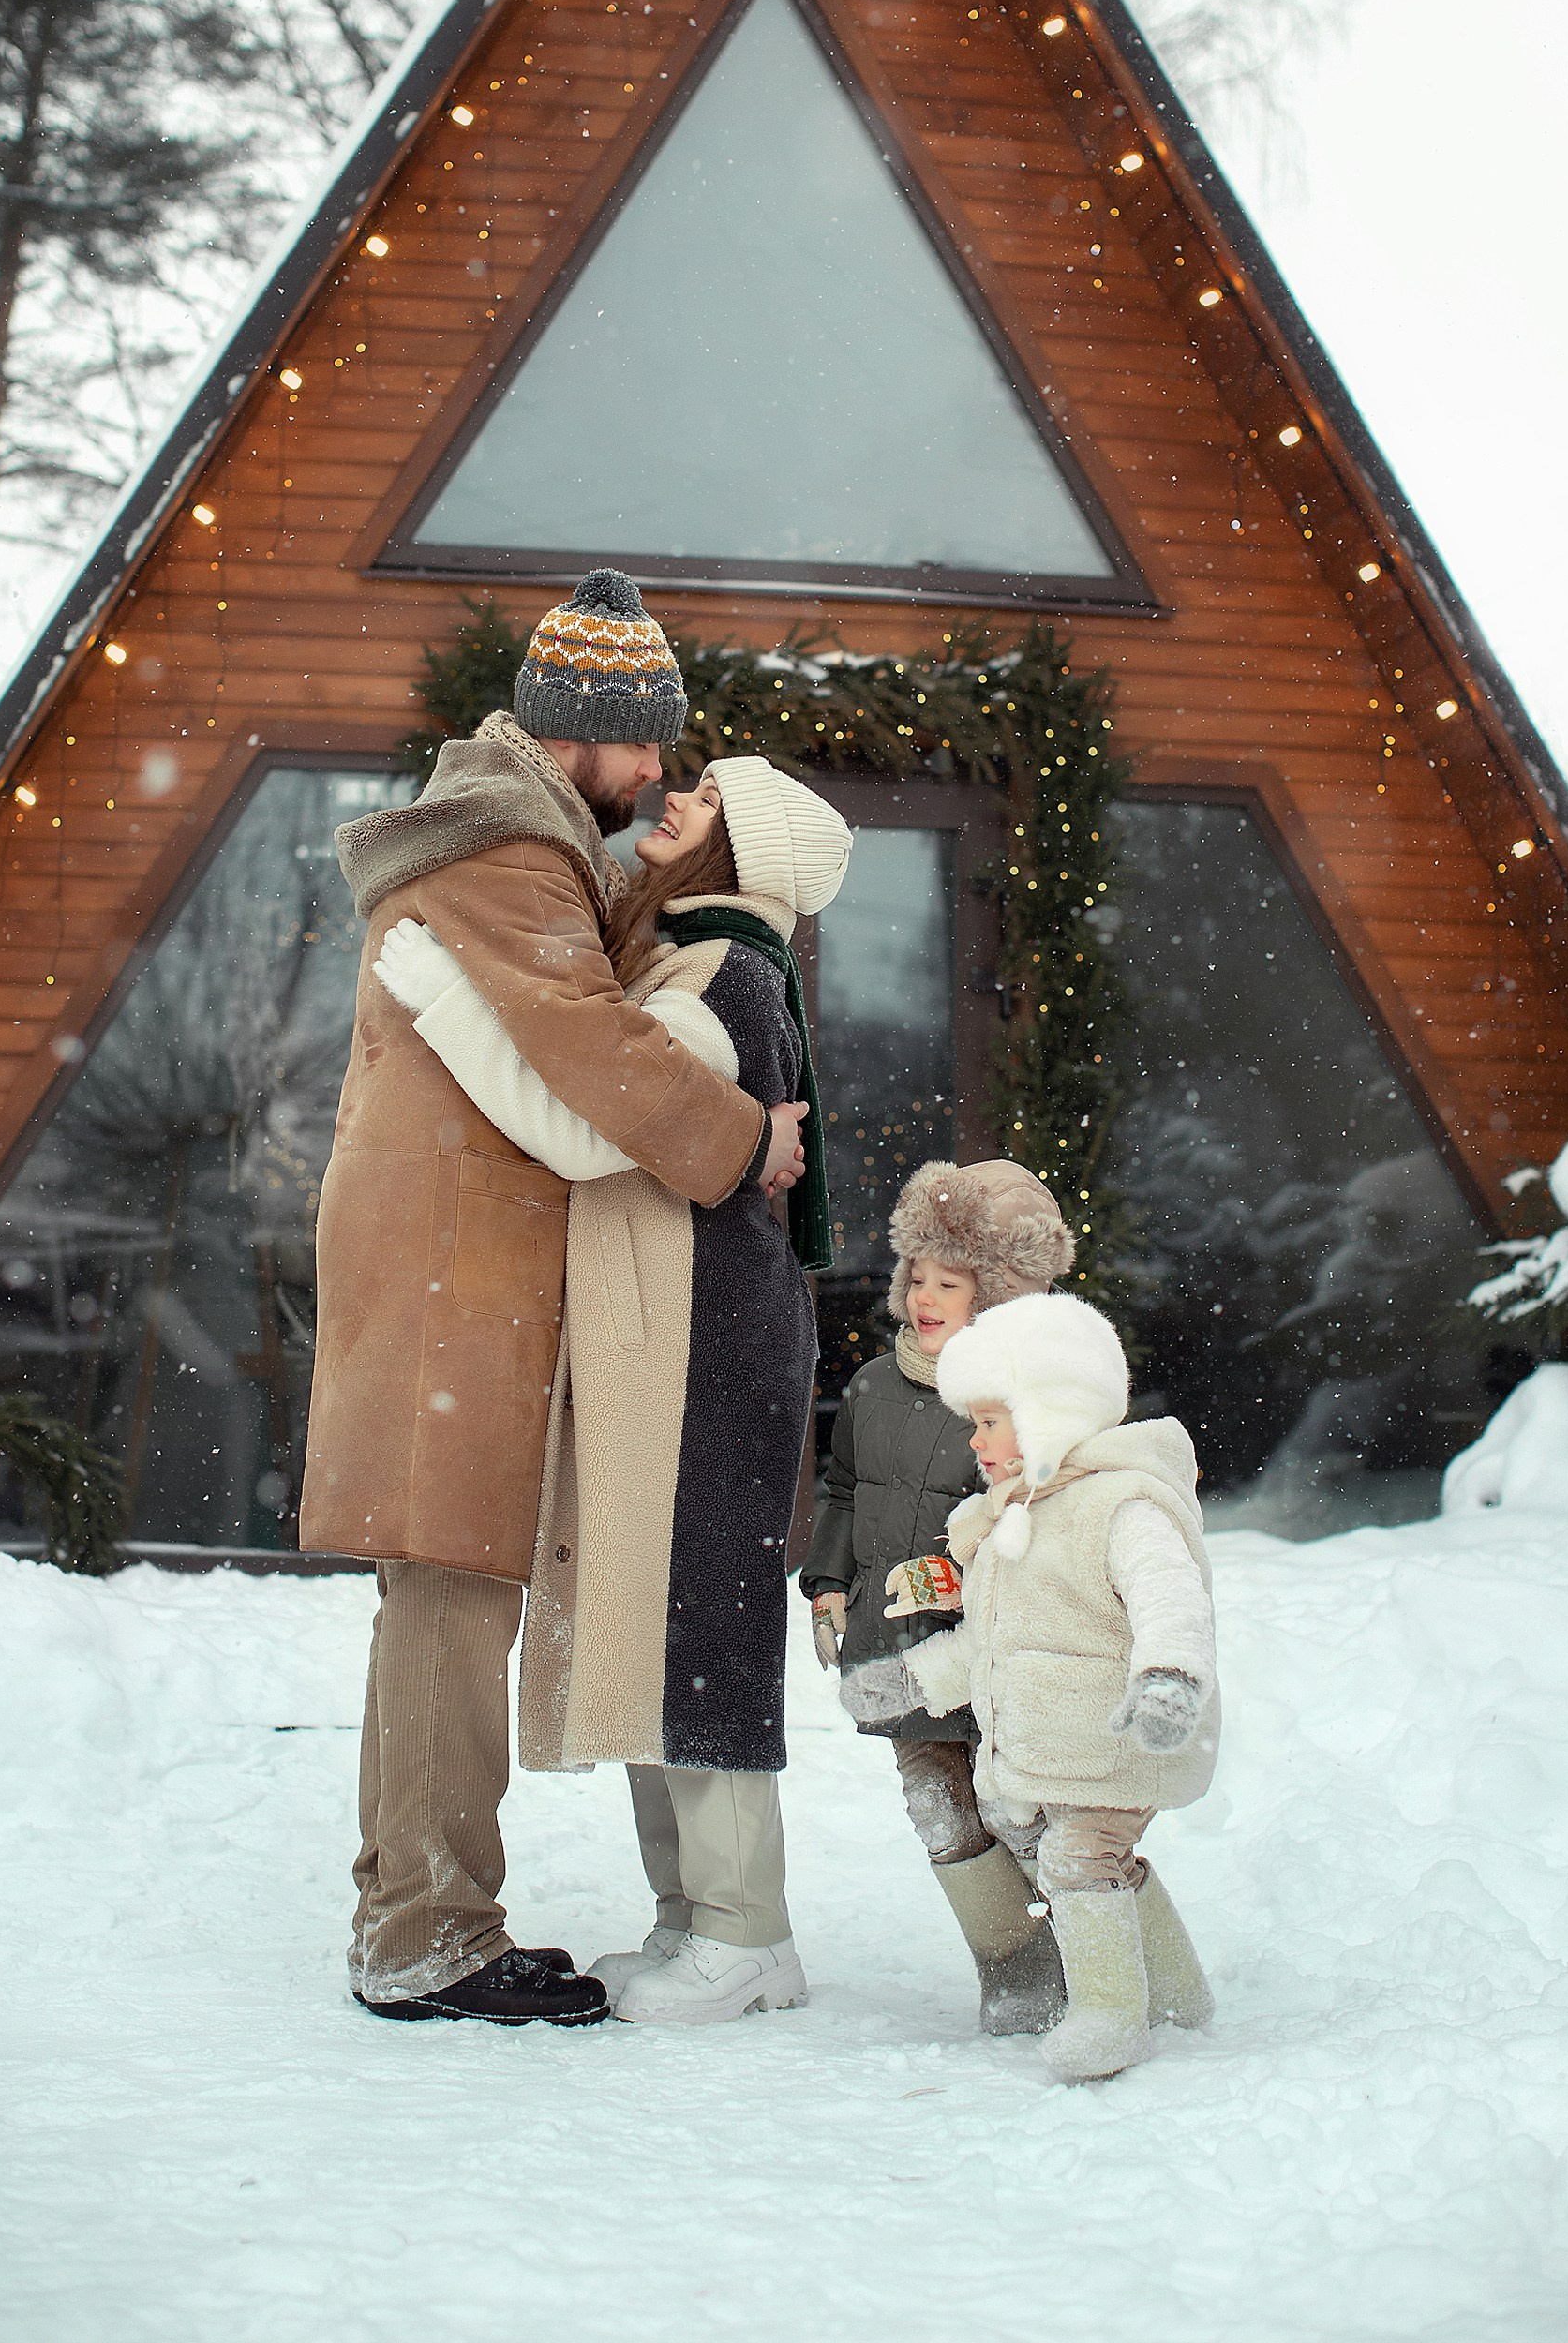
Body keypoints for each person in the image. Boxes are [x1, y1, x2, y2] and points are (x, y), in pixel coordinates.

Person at [299, 571, 809, 2028]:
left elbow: (565, 983)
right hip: (453, 1279)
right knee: (448, 1599)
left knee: (445, 1596)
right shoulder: (500, 859)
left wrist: (660, 874)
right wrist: (740, 1142)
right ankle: (426, 1936)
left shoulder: (515, 847)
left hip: (458, 1276)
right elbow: (587, 1046)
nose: (656, 775)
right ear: (580, 727)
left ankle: (421, 1917)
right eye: (645, 744)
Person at [376, 755, 852, 2025]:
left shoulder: (722, 977)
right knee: (661, 1620)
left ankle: (746, 1932)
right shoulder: (689, 964)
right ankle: (693, 1920)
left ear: (741, 851)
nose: (676, 794)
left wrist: (438, 989)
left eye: (705, 796)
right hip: (684, 1337)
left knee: (699, 1627)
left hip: (711, 1344)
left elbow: (582, 1126)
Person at [841, 1291, 1220, 2083]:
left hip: (1118, 1734)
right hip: (1057, 1747)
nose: (972, 1440)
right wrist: (912, 1680)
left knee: (1081, 1859)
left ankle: (1109, 2018)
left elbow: (1169, 1597)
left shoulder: (1122, 1504)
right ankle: (1178, 1997)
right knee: (1092, 1860)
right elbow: (988, 1643)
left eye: (987, 1422)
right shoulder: (1013, 1515)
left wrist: (1170, 1678)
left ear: (1046, 1415)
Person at [800, 1159, 1074, 2033]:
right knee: (939, 1810)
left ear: (993, 1297)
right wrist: (828, 1584)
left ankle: (1111, 1954)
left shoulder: (1022, 1404)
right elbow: (844, 1491)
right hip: (897, 1646)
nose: (924, 1295)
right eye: (916, 1276)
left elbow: (1042, 1522)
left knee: (1024, 1813)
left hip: (993, 1653)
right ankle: (1015, 1971)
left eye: (949, 1282)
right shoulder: (876, 1388)